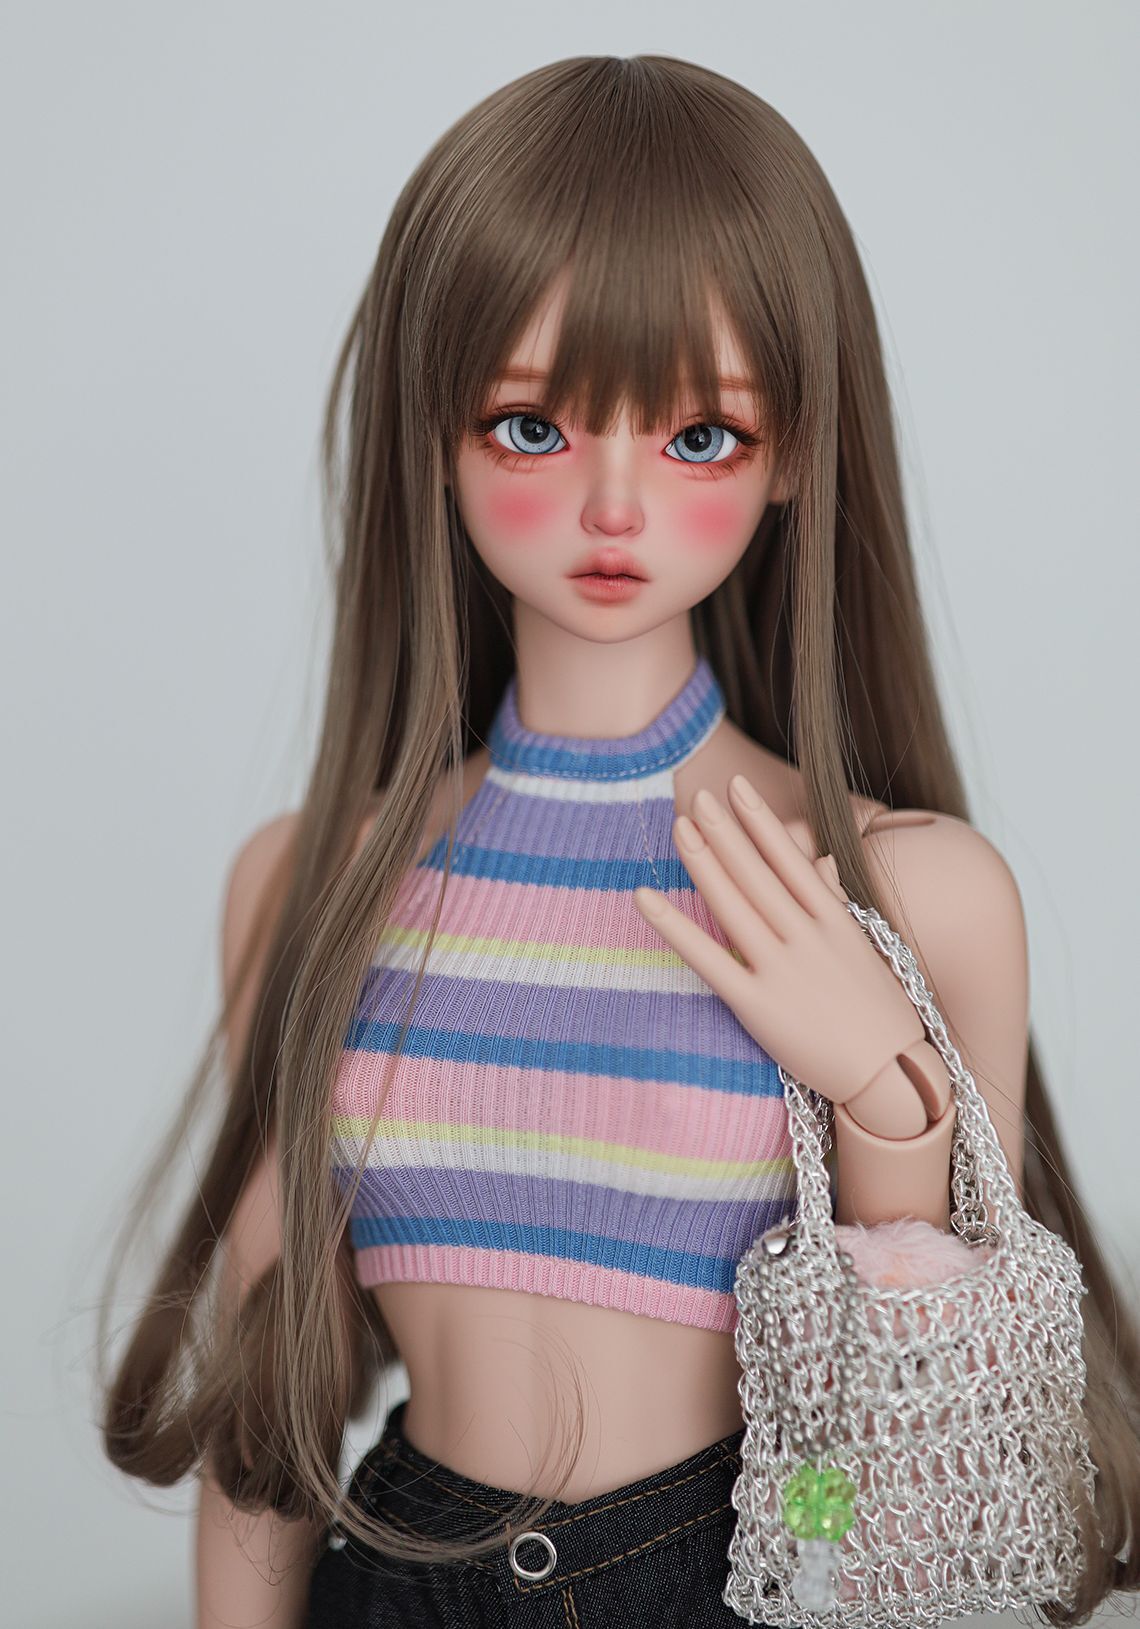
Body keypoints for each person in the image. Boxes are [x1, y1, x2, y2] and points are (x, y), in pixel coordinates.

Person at [96, 53, 1140, 1628]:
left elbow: (887, 1466)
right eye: (530, 425)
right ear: (433, 433)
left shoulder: (911, 888)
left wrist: (888, 1100)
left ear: (796, 449)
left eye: (698, 437)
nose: (610, 504)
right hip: (397, 1574)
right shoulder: (314, 883)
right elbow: (271, 1400)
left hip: (735, 1566)